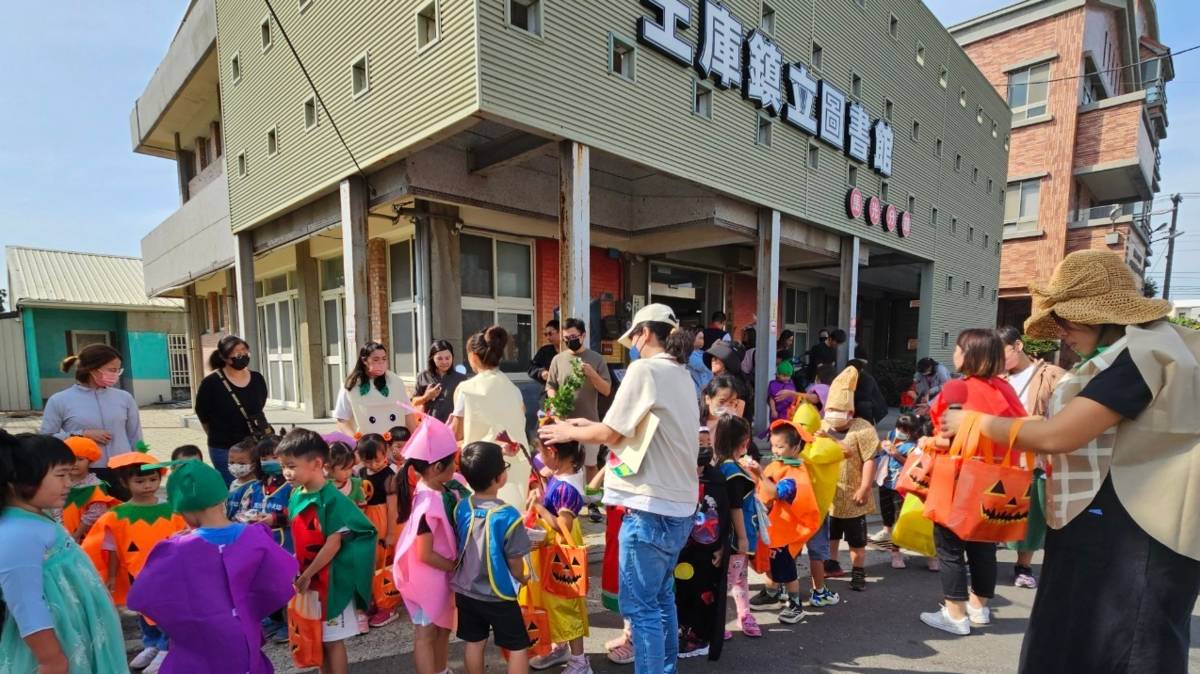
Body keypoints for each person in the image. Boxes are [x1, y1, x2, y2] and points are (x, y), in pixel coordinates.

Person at [937, 251, 1200, 672]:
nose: (1061, 333)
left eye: (1065, 320)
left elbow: (1060, 434)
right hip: (1118, 520)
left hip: (1131, 529)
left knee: (1121, 645)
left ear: (1097, 313)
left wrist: (975, 423)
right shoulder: (1149, 348)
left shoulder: (1139, 355)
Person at [539, 303, 698, 674]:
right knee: (661, 601)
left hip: (648, 508)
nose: (634, 346)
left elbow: (610, 433)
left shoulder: (646, 368)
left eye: (634, 338)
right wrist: (581, 424)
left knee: (642, 610)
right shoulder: (681, 374)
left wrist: (566, 431)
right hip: (678, 507)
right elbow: (630, 427)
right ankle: (666, 668)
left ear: (643, 333)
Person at [127, 460, 297, 674]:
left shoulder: (176, 549)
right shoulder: (255, 537)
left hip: (198, 639)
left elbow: (142, 596)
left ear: (185, 510)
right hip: (243, 632)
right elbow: (279, 582)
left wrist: (180, 624)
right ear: (223, 498)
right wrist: (248, 609)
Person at [921, 328, 1026, 636]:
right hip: (994, 478)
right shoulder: (1005, 390)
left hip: (956, 478)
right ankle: (978, 607)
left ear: (968, 354)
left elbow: (946, 436)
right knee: (983, 545)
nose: (953, 353)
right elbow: (1019, 429)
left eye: (957, 348)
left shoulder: (957, 389)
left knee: (950, 547)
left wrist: (927, 441)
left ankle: (955, 615)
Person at [0, 431, 127, 674]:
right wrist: (50, 659)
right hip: (57, 646)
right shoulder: (16, 533)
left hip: (73, 635)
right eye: (61, 475)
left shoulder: (36, 515)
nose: (68, 483)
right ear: (18, 480)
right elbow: (25, 601)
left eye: (70, 474)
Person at [280, 429, 376, 674]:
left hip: (332, 582)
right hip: (309, 578)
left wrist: (307, 574)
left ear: (316, 463)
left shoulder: (333, 500)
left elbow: (332, 545)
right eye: (283, 467)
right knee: (319, 637)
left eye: (291, 466)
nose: (286, 473)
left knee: (333, 641)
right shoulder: (297, 494)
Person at [84, 452, 187, 673]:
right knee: (141, 609)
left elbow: (184, 540)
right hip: (135, 571)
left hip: (168, 573)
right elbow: (111, 548)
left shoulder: (172, 511)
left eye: (153, 480)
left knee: (164, 609)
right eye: (140, 481)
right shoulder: (117, 515)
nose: (147, 485)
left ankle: (165, 647)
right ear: (125, 482)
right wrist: (111, 576)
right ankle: (150, 643)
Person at [451, 442, 533, 674]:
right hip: (499, 595)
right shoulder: (508, 515)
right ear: (500, 477)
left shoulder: (461, 506)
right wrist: (523, 578)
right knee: (518, 646)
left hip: (466, 590)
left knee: (474, 643)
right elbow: (515, 563)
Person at [997, 326, 1065, 590]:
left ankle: (1023, 565)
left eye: (1001, 352)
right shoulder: (997, 378)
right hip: (1001, 456)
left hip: (1035, 457)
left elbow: (1067, 415)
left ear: (1018, 346)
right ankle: (985, 559)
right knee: (996, 508)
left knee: (1031, 515)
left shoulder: (1051, 375)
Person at [394, 416, 461, 674]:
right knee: (425, 632)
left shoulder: (437, 488)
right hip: (426, 578)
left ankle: (441, 669)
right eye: (452, 461)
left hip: (439, 574)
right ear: (435, 468)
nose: (456, 465)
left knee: (442, 627)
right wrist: (454, 565)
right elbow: (424, 553)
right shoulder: (427, 504)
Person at [40, 343, 143, 494]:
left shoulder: (124, 398)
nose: (116, 374)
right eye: (112, 370)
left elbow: (135, 435)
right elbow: (46, 440)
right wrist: (82, 434)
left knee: (123, 516)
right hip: (84, 473)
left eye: (118, 370)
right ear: (93, 369)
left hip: (123, 470)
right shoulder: (60, 400)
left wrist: (140, 463)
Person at [527, 439, 592, 673]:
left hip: (562, 554)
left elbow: (562, 524)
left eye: (541, 451)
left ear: (553, 452)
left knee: (566, 603)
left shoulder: (568, 488)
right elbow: (536, 463)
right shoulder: (564, 470)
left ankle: (579, 661)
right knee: (553, 602)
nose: (538, 456)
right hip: (552, 550)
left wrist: (539, 508)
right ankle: (561, 646)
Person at [451, 325, 530, 508]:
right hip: (515, 467)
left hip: (481, 467)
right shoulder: (513, 389)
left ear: (473, 356)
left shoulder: (467, 389)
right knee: (512, 518)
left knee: (483, 520)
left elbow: (455, 432)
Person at [755, 420, 821, 623]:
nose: (775, 450)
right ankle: (772, 592)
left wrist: (758, 473)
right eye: (773, 445)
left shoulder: (795, 473)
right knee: (770, 563)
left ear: (795, 447)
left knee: (787, 569)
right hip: (773, 526)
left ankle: (795, 604)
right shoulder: (779, 465)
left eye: (780, 446)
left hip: (786, 530)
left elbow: (778, 493)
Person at [822, 366, 880, 592]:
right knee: (831, 534)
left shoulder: (862, 428)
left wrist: (866, 486)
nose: (834, 413)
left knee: (857, 540)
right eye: (831, 408)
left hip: (854, 495)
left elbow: (869, 459)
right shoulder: (824, 426)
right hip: (831, 495)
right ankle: (832, 562)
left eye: (839, 408)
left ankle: (858, 571)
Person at [674, 440, 730, 661]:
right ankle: (683, 630)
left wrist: (724, 546)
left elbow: (725, 515)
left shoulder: (716, 480)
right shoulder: (677, 477)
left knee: (703, 593)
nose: (697, 469)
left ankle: (699, 637)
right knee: (681, 592)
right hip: (681, 550)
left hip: (707, 552)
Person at [547, 318, 612, 503]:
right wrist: (554, 403)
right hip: (563, 423)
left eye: (574, 336)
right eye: (566, 338)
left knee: (590, 465)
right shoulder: (558, 359)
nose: (569, 341)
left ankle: (592, 504)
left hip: (589, 422)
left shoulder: (596, 359)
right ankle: (566, 501)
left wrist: (592, 374)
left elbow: (606, 390)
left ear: (583, 335)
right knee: (564, 465)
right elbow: (550, 386)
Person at [194, 335, 269, 486]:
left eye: (244, 350)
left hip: (254, 446)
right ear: (224, 357)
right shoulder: (211, 383)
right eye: (236, 352)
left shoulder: (257, 379)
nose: (242, 354)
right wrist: (217, 434)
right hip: (224, 449)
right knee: (234, 489)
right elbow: (204, 417)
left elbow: (259, 407)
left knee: (256, 488)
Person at [712, 414, 762, 637]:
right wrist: (742, 537)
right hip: (734, 536)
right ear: (743, 441)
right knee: (731, 580)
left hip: (721, 534)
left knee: (733, 578)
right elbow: (736, 507)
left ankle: (743, 615)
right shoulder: (733, 471)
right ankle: (721, 622)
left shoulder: (721, 465)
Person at [354, 433, 400, 628]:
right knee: (369, 565)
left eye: (377, 459)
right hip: (367, 523)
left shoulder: (389, 476)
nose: (373, 464)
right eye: (368, 460)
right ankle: (373, 600)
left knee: (383, 566)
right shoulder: (360, 473)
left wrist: (390, 534)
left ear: (386, 452)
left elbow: (392, 508)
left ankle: (387, 606)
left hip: (382, 523)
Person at [335, 342, 416, 438]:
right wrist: (356, 441)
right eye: (376, 359)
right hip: (367, 445)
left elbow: (408, 413)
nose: (381, 363)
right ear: (364, 361)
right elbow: (341, 420)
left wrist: (415, 439)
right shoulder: (351, 385)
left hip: (395, 444)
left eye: (384, 359)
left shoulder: (396, 382)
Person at [873, 414, 920, 569]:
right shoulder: (891, 435)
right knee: (887, 513)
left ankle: (896, 552)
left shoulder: (914, 445)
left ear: (912, 431)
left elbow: (914, 466)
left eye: (905, 430)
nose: (900, 432)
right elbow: (879, 452)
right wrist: (882, 446)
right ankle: (887, 533)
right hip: (884, 481)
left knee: (899, 519)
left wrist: (897, 455)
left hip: (900, 487)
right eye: (899, 428)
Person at [59, 435, 118, 543]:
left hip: (87, 538)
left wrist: (77, 534)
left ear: (90, 461)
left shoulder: (95, 486)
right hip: (63, 536)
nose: (74, 463)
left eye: (80, 459)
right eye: (70, 459)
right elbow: (55, 510)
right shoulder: (59, 484)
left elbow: (95, 513)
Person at [413, 340, 469, 422]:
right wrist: (426, 397)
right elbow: (414, 402)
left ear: (452, 357)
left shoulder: (461, 379)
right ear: (432, 358)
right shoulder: (423, 376)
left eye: (447, 358)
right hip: (429, 426)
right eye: (439, 358)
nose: (444, 362)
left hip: (452, 428)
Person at [225, 437, 259, 521]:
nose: (235, 466)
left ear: (253, 465)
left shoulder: (255, 486)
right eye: (232, 462)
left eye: (241, 463)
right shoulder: (234, 483)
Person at [848, 359, 889, 426]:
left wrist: (850, 395)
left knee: (863, 404)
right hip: (862, 401)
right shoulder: (850, 376)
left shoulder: (866, 378)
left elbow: (865, 395)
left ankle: (868, 423)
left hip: (874, 405)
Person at [529, 319, 560, 384]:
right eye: (546, 334)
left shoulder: (570, 350)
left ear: (560, 332)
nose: (548, 337)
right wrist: (541, 372)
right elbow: (531, 368)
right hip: (548, 390)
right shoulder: (544, 351)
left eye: (550, 333)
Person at [686, 329, 714, 396]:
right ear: (692, 338)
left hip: (707, 391)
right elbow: (702, 366)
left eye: (703, 338)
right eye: (700, 338)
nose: (702, 341)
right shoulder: (688, 353)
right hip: (696, 393)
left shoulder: (702, 352)